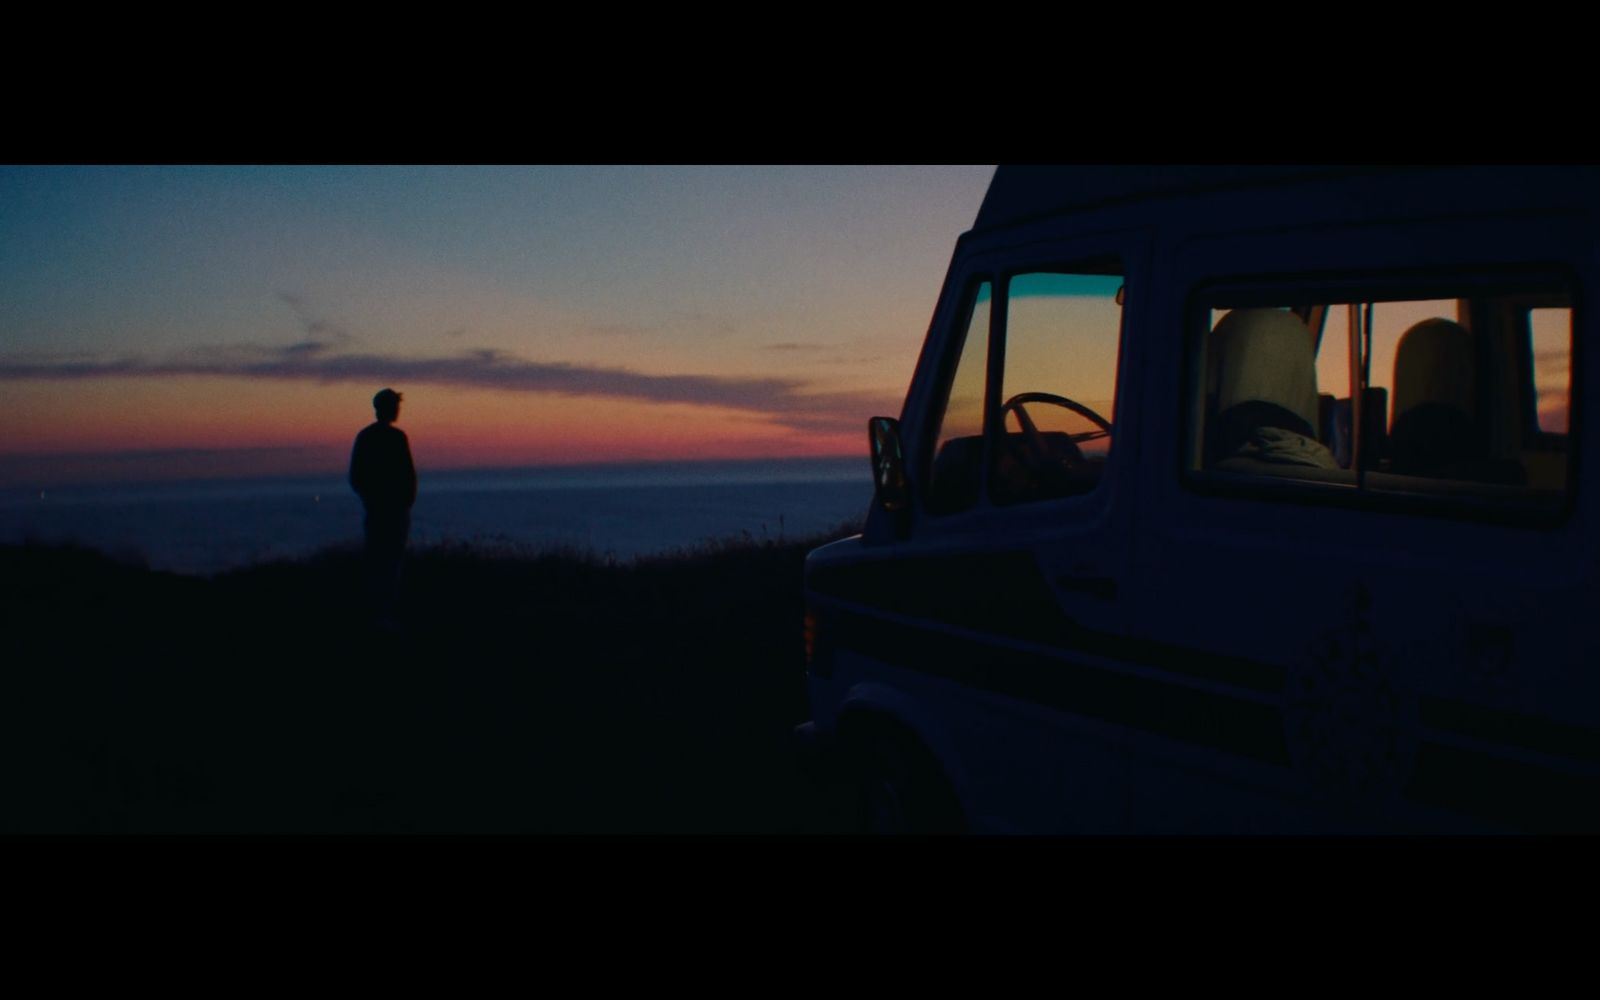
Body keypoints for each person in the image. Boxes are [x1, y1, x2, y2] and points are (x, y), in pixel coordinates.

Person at [349, 388, 417, 622]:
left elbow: (356, 477)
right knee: (389, 562)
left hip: (381, 510)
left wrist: (371, 499)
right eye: (395, 406)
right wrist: (403, 501)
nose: (397, 410)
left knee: (379, 560)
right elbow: (408, 474)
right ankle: (383, 613)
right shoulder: (396, 438)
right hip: (390, 510)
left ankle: (378, 612)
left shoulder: (367, 437)